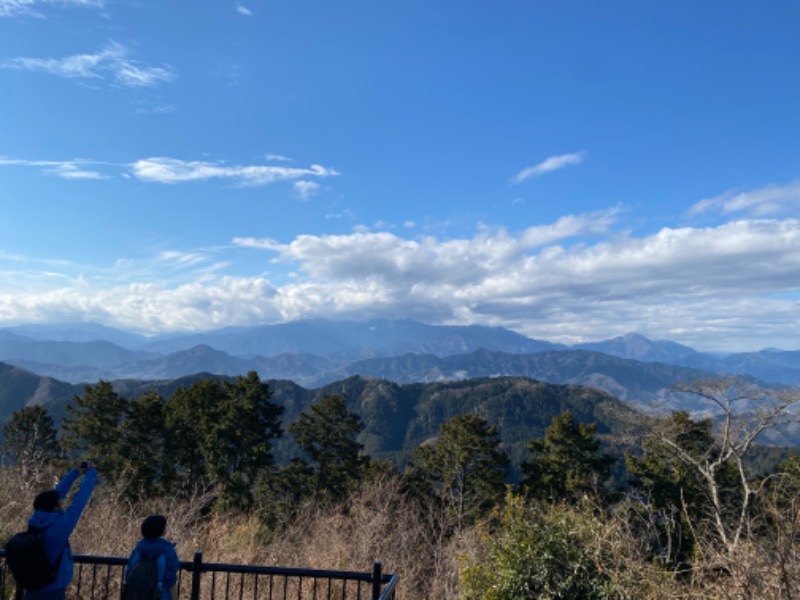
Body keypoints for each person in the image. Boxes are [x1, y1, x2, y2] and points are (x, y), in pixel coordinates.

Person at [23, 461, 97, 600]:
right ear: (55, 507)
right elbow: (80, 501)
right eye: (60, 502)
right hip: (52, 587)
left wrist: (74, 472)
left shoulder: (36, 519)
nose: (62, 501)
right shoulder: (60, 527)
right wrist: (91, 473)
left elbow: (56, 494)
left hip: (31, 584)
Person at [124, 515, 180, 600]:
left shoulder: (137, 550)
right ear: (161, 530)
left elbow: (129, 575)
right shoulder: (167, 551)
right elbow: (171, 580)